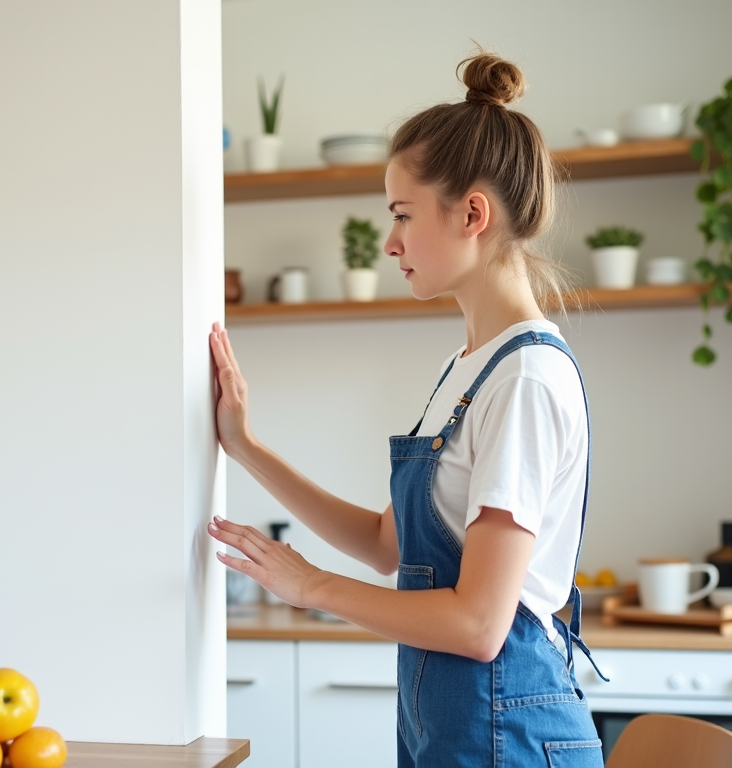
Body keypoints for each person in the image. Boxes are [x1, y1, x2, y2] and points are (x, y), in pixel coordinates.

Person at [208, 51, 605, 768]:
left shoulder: (526, 378)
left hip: (507, 731)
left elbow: (481, 625)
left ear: (472, 213)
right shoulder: (469, 367)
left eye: (401, 215)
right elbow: (391, 545)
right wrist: (246, 446)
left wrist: (313, 587)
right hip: (451, 722)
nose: (389, 243)